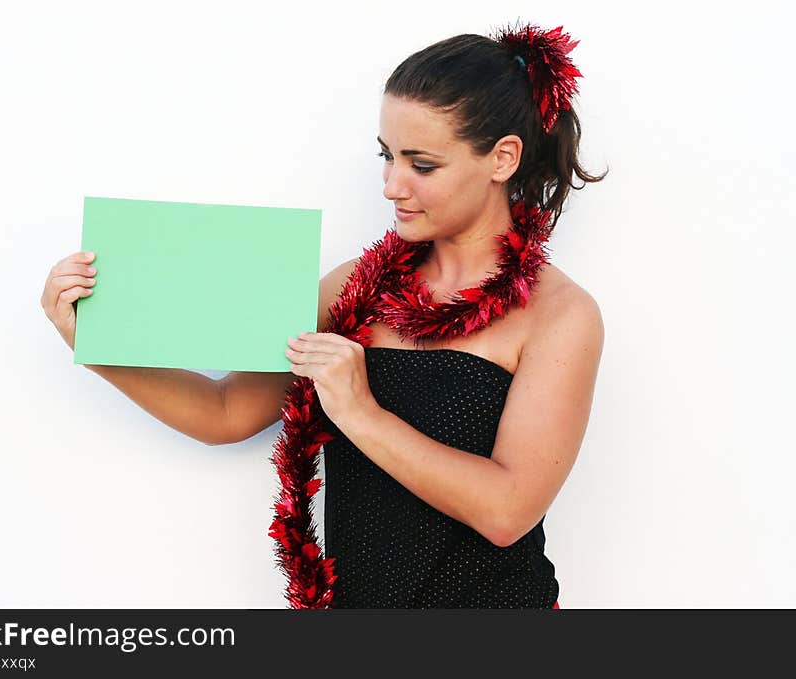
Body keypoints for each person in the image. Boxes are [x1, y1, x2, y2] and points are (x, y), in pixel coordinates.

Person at [40, 22, 606, 609]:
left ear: (503, 158)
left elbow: (508, 510)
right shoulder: (352, 288)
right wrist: (94, 342)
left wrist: (359, 410)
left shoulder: (559, 317)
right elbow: (227, 411)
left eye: (423, 165)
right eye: (387, 157)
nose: (392, 185)